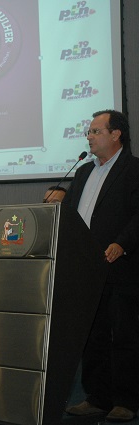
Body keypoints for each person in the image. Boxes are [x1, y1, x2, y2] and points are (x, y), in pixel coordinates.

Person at [63, 110, 139, 422]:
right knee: (92, 336)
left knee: (123, 335)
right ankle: (97, 396)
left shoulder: (133, 170)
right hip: (86, 268)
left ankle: (126, 400)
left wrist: (122, 243)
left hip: (121, 266)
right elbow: (70, 214)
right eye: (89, 132)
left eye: (96, 131)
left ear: (116, 134)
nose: (89, 137)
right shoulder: (84, 172)